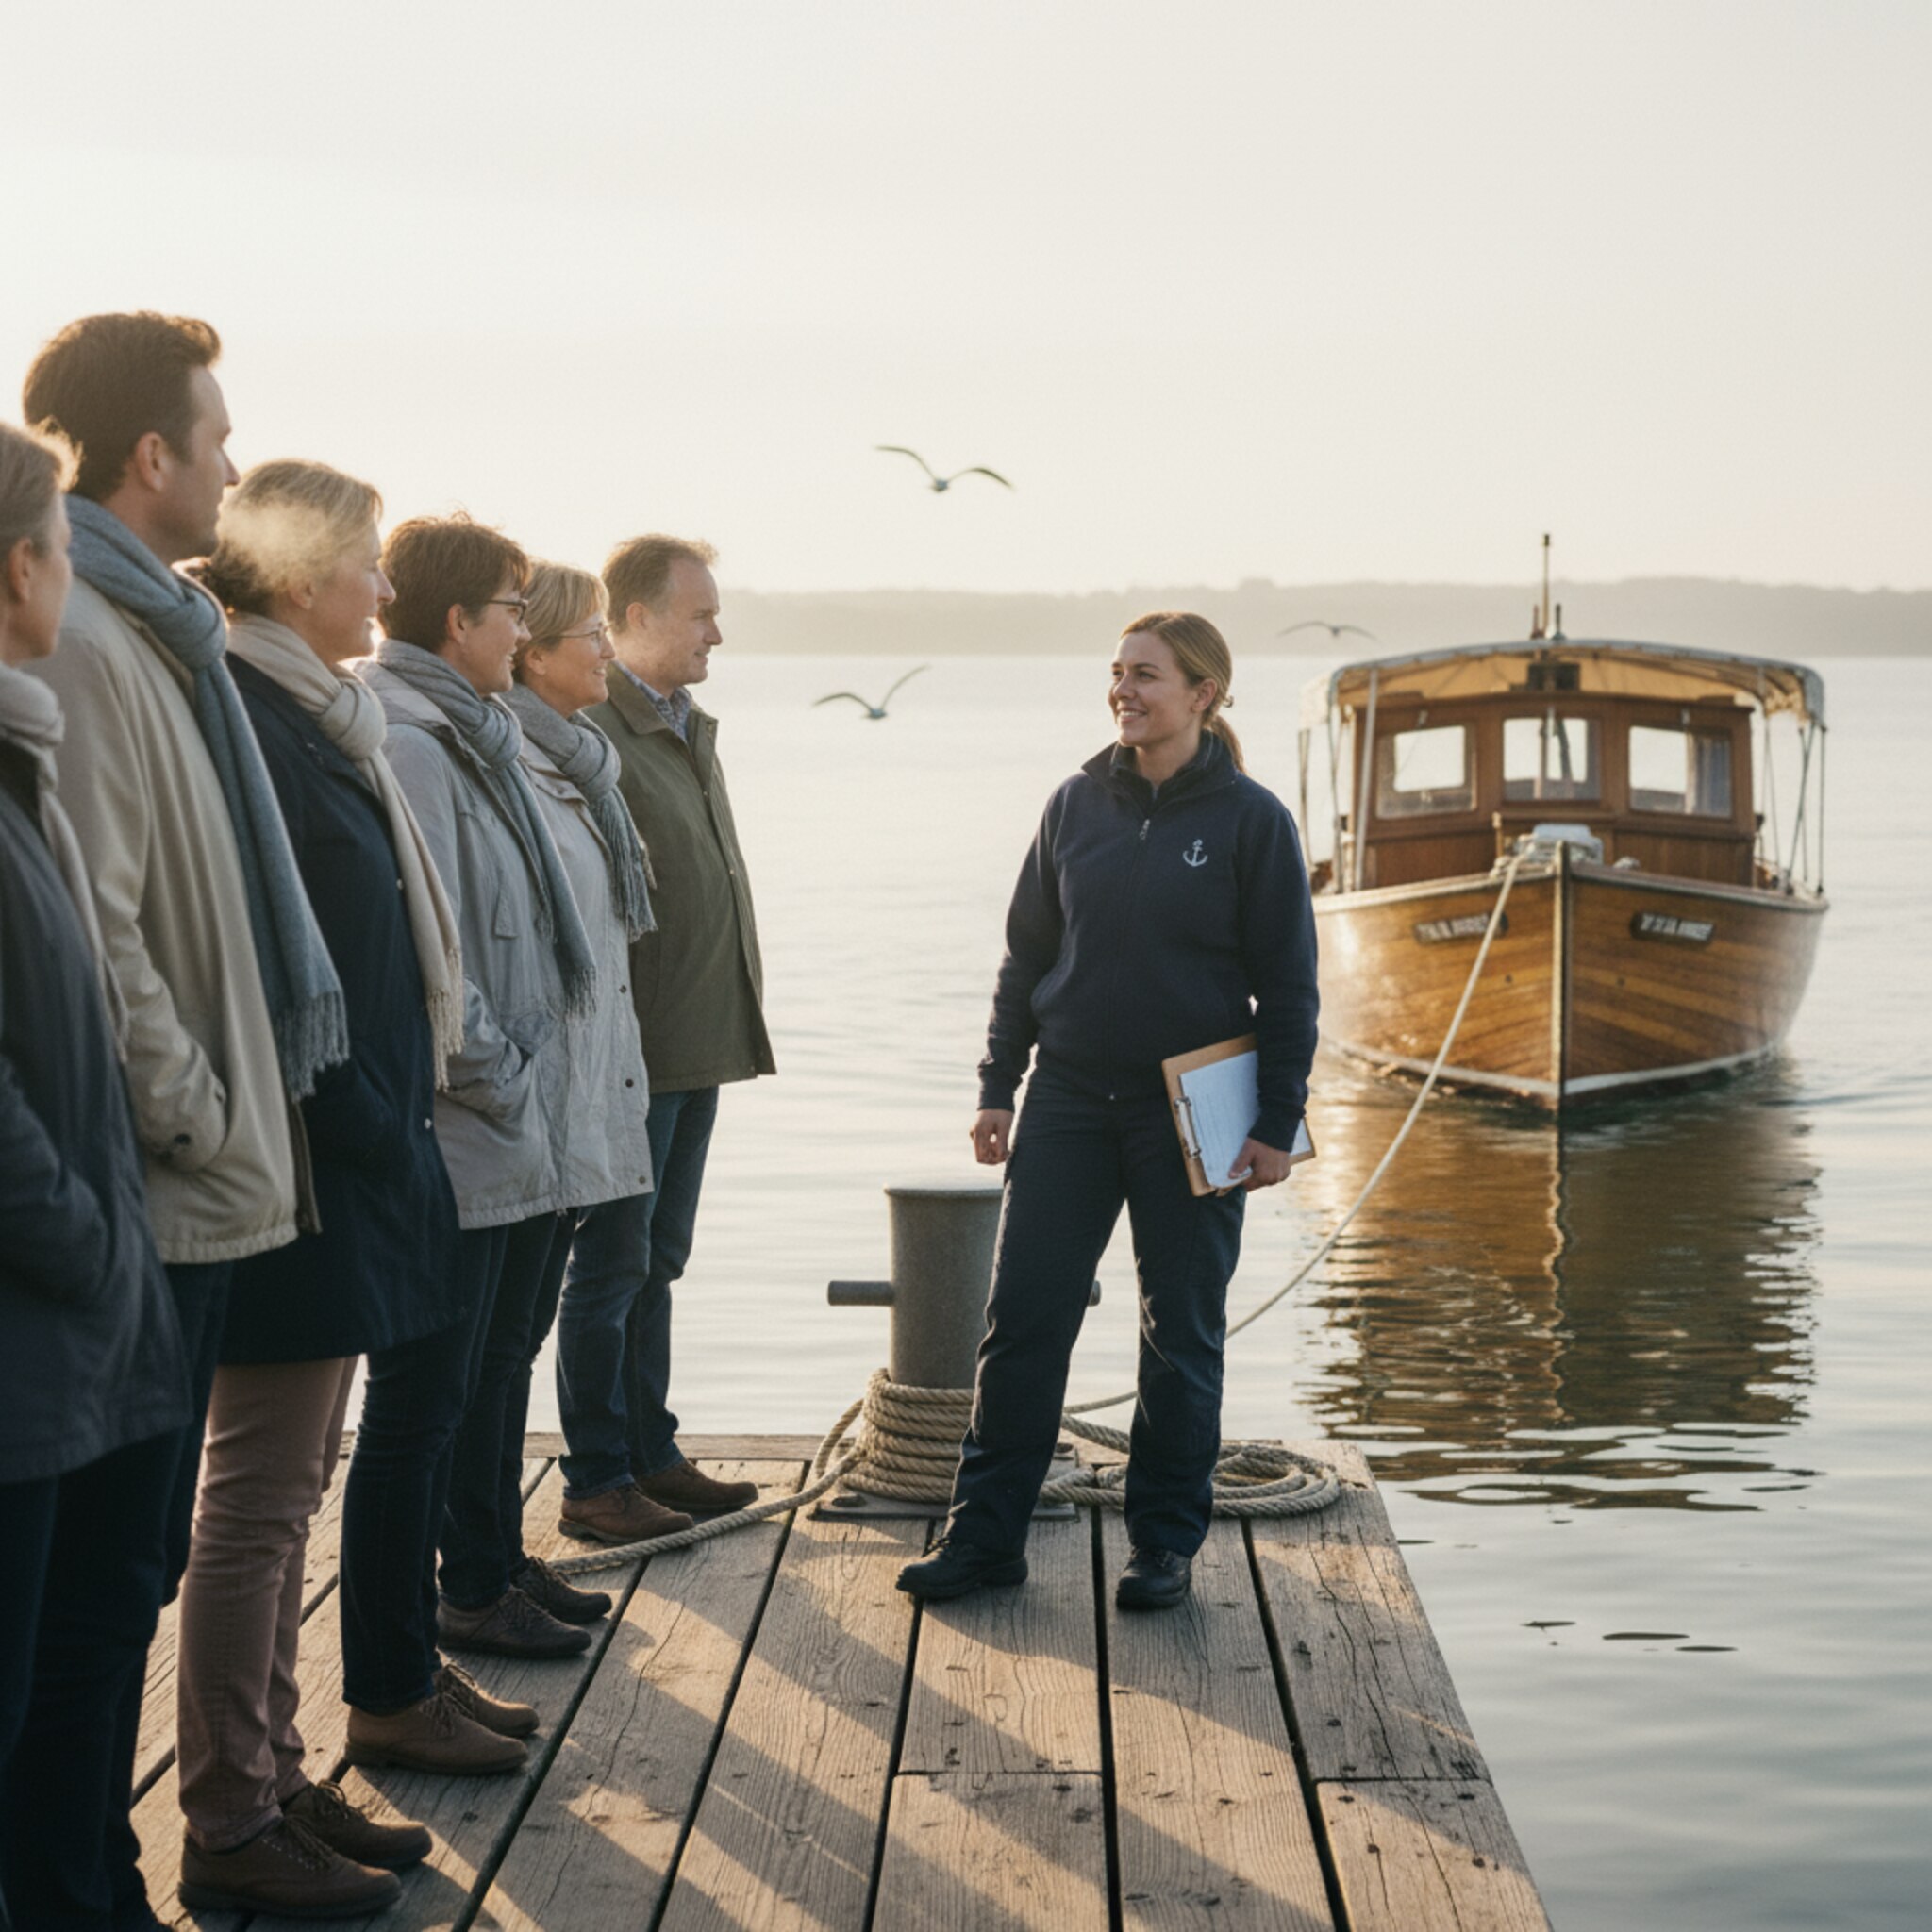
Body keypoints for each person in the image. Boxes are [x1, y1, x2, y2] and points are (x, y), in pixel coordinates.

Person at [14, 313, 338, 1929]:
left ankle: (96, 1871)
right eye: (215, 437)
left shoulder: (154, 633)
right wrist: (205, 1115)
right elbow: (100, 926)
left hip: (188, 1175)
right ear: (150, 455)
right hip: (159, 1183)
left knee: (123, 1567)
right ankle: (84, 1886)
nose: (231, 462)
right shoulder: (80, 638)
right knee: (100, 1583)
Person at [170, 461, 482, 1913]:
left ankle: (277, 1775)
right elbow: (272, 962)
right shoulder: (259, 720)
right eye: (365, 563)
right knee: (258, 1497)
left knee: (288, 1490)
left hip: (349, 1159)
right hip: (306, 1168)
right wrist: (369, 1119)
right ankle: (232, 1817)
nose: (381, 588)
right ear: (300, 576)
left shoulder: (312, 710)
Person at [898, 612, 1318, 1612]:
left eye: (1145, 676)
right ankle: (984, 1535)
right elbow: (1025, 957)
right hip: (1071, 1100)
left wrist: (1275, 1121)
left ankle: (1162, 1545)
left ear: (1202, 694)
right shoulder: (1073, 805)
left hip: (1200, 1103)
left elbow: (1289, 989)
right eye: (1116, 674)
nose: (1123, 691)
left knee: (1181, 1330)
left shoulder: (1252, 820)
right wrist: (997, 1084)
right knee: (1024, 1319)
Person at [349, 513, 602, 1771]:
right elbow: (440, 952)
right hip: (468, 1132)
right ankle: (401, 1671)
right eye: (513, 607)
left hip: (518, 1124)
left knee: (490, 1368)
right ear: (462, 624)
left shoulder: (476, 734)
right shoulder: (417, 740)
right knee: (419, 1408)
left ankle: (482, 1577)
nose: (526, 624)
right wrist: (506, 1084)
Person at [0, 421, 192, 1932]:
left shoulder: (22, 766)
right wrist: (86, 1240)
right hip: (38, 1317)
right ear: (23, 567)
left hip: (72, 1316)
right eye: (59, 542)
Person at [566, 535, 772, 1541]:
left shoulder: (686, 726)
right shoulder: (591, 728)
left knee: (660, 1258)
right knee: (609, 1267)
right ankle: (597, 1478)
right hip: (629, 1053)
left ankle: (651, 1452)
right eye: (699, 615)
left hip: (697, 1040)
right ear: (633, 618)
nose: (715, 633)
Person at [499, 563, 665, 1550]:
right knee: (521, 1327)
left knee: (605, 1276)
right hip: (539, 1088)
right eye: (589, 634)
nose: (607, 648)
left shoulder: (581, 759)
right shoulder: (516, 759)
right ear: (532, 650)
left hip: (604, 1068)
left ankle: (596, 1485)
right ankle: (554, 1509)